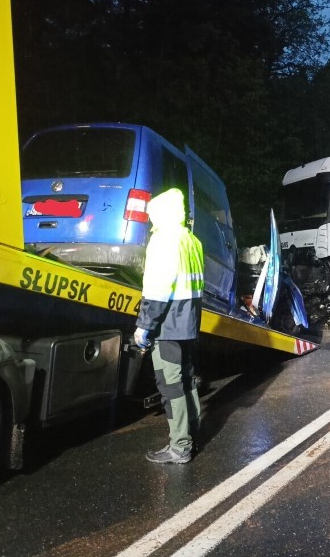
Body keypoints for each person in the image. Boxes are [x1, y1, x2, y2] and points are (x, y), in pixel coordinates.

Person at [134, 188, 205, 464]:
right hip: (187, 322)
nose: (152, 223)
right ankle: (191, 433)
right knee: (186, 379)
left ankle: (180, 445)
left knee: (170, 384)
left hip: (168, 324)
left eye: (153, 216)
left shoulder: (164, 240)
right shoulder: (191, 240)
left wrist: (144, 325)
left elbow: (158, 288)